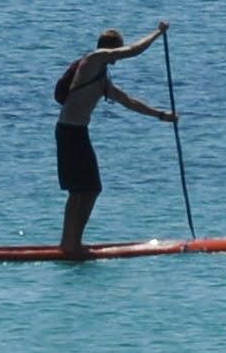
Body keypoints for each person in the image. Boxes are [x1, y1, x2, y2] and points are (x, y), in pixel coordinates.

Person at [55, 22, 176, 257]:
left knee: (91, 189)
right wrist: (158, 33)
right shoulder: (93, 59)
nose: (117, 59)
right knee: (77, 190)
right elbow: (133, 51)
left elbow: (128, 101)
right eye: (116, 52)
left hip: (79, 132)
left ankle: (74, 242)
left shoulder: (101, 79)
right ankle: (68, 245)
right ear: (110, 48)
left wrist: (161, 115)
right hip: (68, 131)